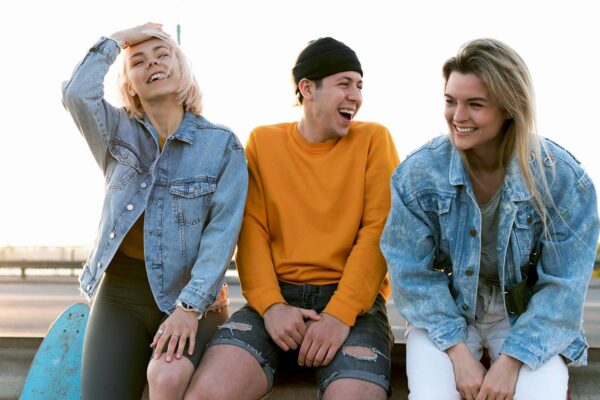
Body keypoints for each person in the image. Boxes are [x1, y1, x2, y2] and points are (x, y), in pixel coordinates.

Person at [380, 38, 600, 400]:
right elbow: (409, 273)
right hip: (447, 310)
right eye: (450, 101)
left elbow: (564, 287)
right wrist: (457, 352)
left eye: (475, 105)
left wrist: (513, 359)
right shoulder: (418, 175)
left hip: (527, 314)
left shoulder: (562, 179)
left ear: (509, 108)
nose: (458, 116)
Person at [187, 37, 400, 399]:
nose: (356, 95)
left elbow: (379, 232)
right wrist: (271, 307)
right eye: (344, 83)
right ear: (307, 88)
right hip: (277, 299)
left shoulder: (374, 140)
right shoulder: (263, 142)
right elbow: (251, 232)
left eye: (360, 85)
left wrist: (339, 315)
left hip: (353, 307)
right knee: (207, 393)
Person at [62, 23, 248, 399]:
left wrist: (189, 308)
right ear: (129, 84)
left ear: (181, 70)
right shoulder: (116, 132)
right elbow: (76, 93)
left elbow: (221, 238)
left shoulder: (222, 146)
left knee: (168, 376)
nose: (152, 64)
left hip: (195, 298)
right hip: (120, 295)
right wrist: (118, 38)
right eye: (138, 61)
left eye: (163, 55)